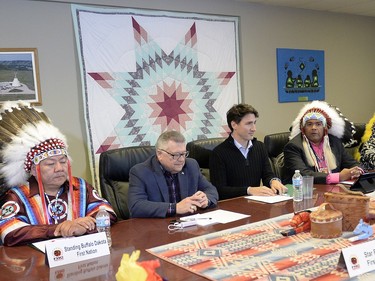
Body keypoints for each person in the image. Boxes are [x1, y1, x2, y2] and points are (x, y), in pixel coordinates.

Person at [0, 102, 117, 246]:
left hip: (83, 258)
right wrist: (58, 229)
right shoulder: (18, 196)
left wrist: (84, 226)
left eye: (63, 161)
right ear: (32, 170)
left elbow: (106, 212)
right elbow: (8, 232)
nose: (59, 168)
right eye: (50, 164)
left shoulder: (79, 186)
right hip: (38, 264)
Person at [128, 130, 218, 218]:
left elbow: (211, 190)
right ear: (159, 154)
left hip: (189, 224)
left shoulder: (191, 165)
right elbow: (136, 206)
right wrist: (175, 208)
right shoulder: (140, 172)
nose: (182, 159)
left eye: (183, 154)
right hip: (157, 228)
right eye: (176, 155)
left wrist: (206, 200)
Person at [209, 103, 287, 200]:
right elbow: (219, 190)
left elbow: (267, 175)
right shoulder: (219, 153)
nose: (254, 128)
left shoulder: (260, 147)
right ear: (234, 125)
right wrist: (248, 190)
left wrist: (273, 181)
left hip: (257, 203)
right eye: (249, 123)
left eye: (254, 123)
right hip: (232, 207)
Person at [283, 100, 363, 184]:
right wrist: (338, 176)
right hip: (307, 191)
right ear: (303, 128)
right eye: (309, 124)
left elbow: (352, 163)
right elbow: (303, 174)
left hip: (334, 190)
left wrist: (356, 170)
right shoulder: (293, 146)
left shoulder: (334, 142)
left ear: (325, 128)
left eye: (318, 124)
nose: (314, 127)